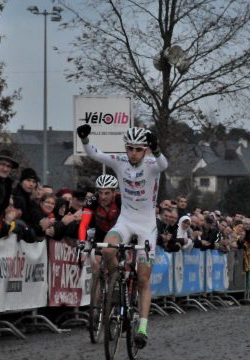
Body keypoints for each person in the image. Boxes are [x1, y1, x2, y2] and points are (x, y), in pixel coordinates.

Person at [77, 124, 167, 348]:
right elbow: (94, 154)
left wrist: (156, 150)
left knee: (144, 278)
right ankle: (117, 280)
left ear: (145, 149)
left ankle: (143, 328)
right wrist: (85, 138)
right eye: (130, 148)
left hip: (146, 226)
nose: (133, 153)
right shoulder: (120, 161)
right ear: (125, 148)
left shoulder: (151, 164)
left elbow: (164, 164)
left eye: (138, 149)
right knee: (107, 249)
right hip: (125, 221)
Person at [78, 174, 121, 274]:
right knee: (96, 265)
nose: (103, 197)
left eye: (107, 193)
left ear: (114, 193)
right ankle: (99, 287)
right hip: (101, 231)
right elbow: (83, 224)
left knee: (114, 257)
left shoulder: (121, 201)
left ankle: (117, 277)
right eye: (100, 192)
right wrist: (81, 241)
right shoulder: (92, 201)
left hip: (118, 232)